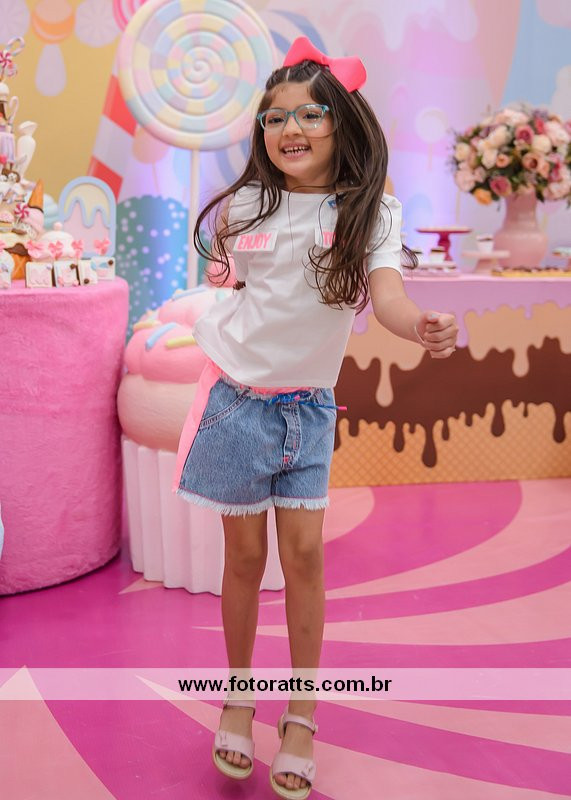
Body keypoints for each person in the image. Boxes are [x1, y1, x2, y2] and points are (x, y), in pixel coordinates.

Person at [173, 36, 458, 800]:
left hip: (308, 411)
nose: (289, 127)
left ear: (342, 123)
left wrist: (417, 326)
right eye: (274, 117)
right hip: (236, 403)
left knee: (303, 559)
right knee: (242, 561)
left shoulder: (369, 212)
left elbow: (388, 296)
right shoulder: (245, 205)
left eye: (309, 113)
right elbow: (234, 290)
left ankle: (301, 714)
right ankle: (237, 696)